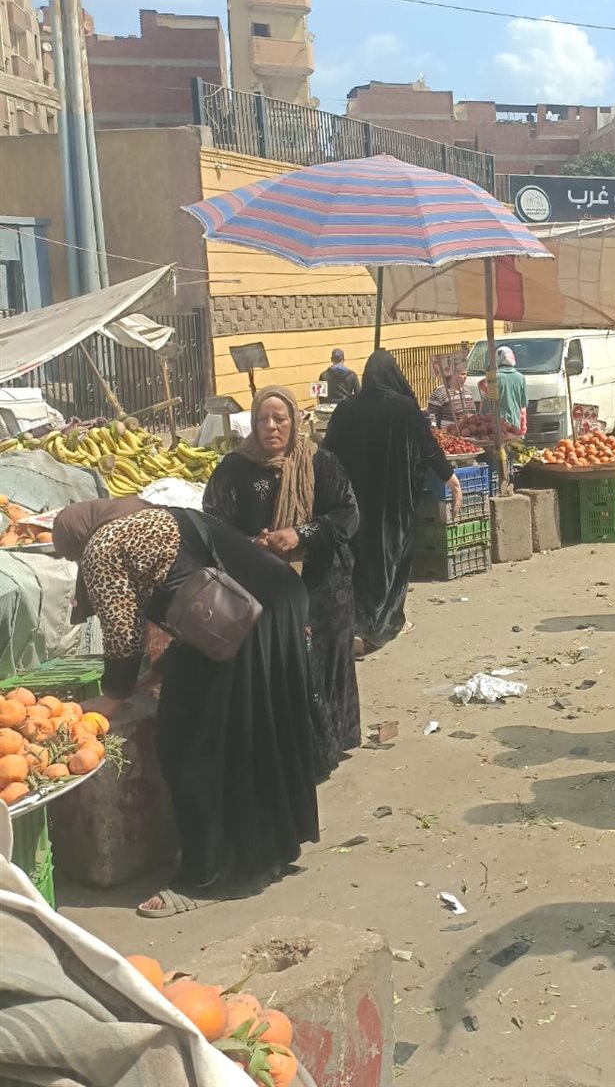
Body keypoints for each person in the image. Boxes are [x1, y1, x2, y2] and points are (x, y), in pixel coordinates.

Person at [52, 499, 319, 917]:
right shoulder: (157, 515)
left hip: (244, 621)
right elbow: (198, 600)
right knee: (260, 727)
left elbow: (123, 633)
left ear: (77, 540)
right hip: (276, 601)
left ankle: (212, 875)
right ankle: (271, 849)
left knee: (192, 741)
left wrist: (113, 696)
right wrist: (159, 671)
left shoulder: (102, 547)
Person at [203, 385, 360, 780]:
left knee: (322, 662)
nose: (271, 426)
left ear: (294, 421)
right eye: (263, 419)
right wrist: (249, 545)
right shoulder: (234, 470)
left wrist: (300, 534)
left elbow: (347, 515)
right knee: (281, 667)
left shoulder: (319, 462)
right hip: (262, 589)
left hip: (321, 584)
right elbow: (212, 524)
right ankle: (291, 754)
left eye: (280, 418)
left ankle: (325, 746)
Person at [323, 350, 463, 650]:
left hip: (354, 501)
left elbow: (326, 453)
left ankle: (360, 624)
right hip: (394, 502)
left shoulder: (345, 409)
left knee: (360, 561)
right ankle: (384, 623)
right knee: (392, 561)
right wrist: (450, 478)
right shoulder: (404, 408)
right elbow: (428, 447)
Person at [480, 345, 528, 434]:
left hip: (499, 426)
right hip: (515, 425)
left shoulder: (493, 378)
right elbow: (523, 404)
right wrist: (523, 426)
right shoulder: (521, 378)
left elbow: (487, 402)